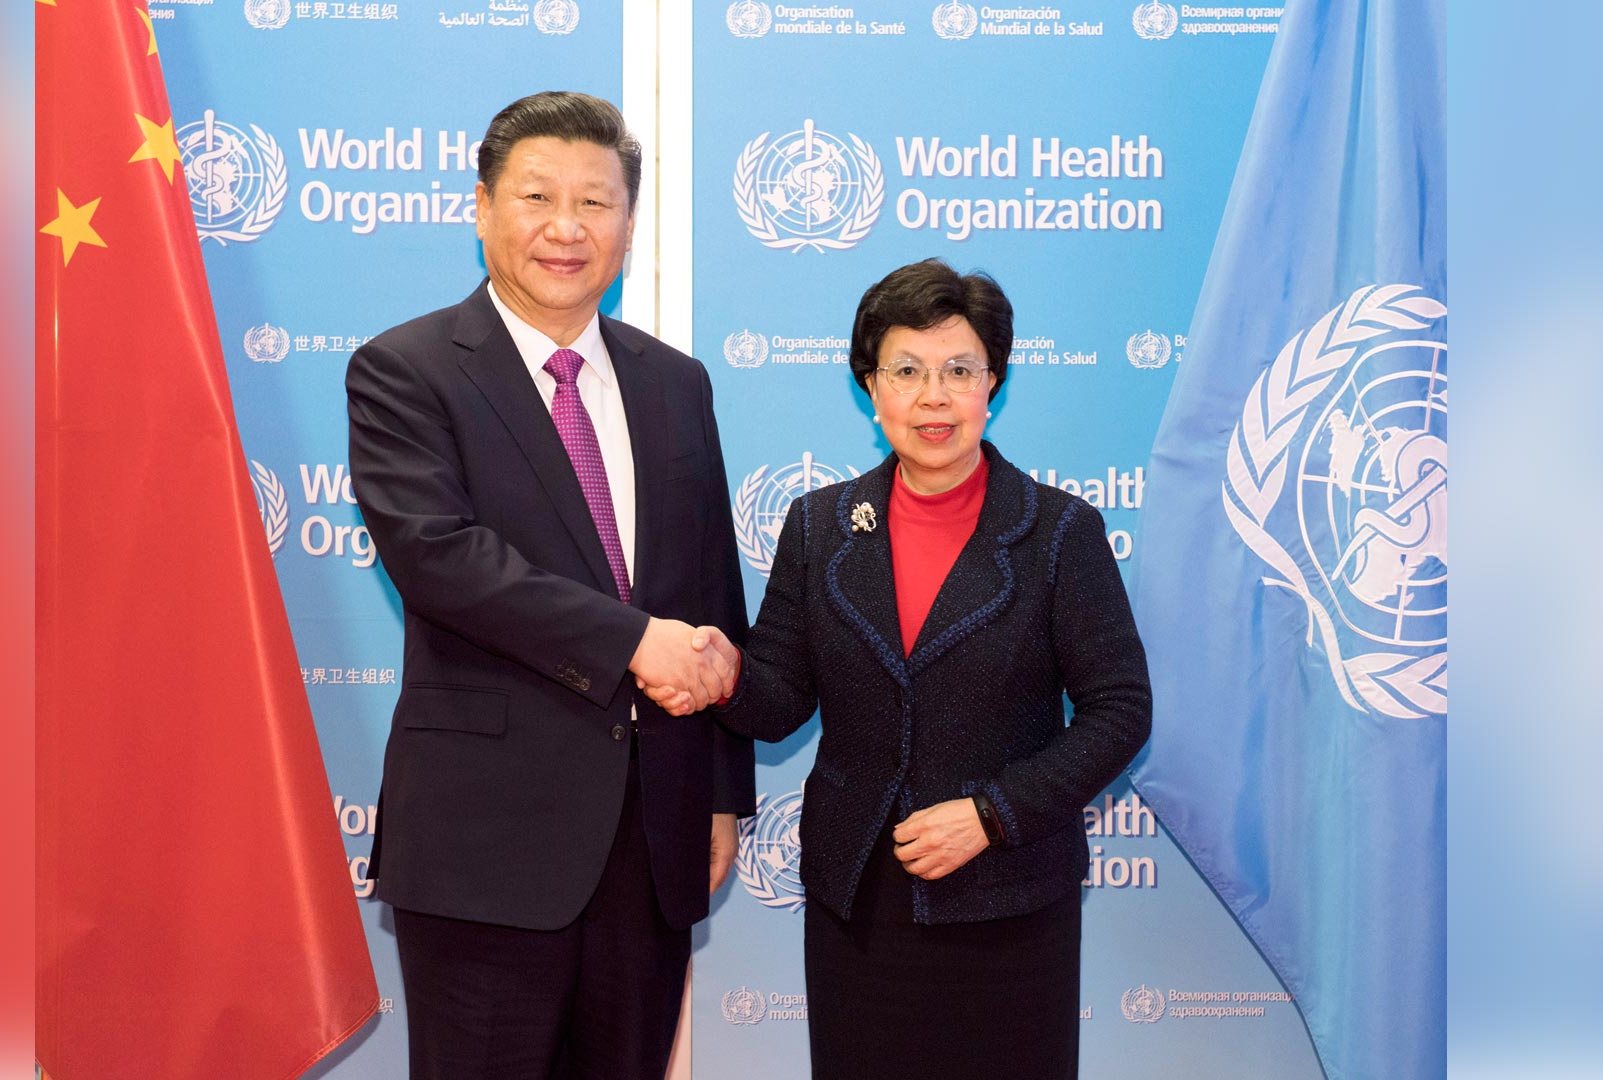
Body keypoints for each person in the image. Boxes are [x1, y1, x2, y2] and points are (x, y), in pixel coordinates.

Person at [647, 259, 1152, 1079]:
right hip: (861, 900)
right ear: (870, 389)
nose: (933, 398)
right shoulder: (820, 526)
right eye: (907, 371)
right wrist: (725, 675)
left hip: (1010, 895)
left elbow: (1120, 710)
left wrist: (991, 814)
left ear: (994, 385)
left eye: (960, 371)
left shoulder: (1059, 532)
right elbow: (780, 696)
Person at [346, 90, 754, 1080]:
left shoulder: (676, 383)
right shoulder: (405, 370)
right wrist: (633, 642)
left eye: (595, 202)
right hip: (487, 845)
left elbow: (710, 589)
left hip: (651, 840)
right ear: (482, 207)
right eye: (537, 197)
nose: (566, 228)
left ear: (628, 223)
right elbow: (442, 559)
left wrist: (719, 794)